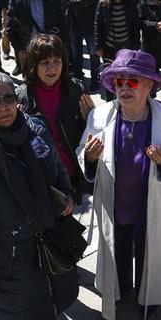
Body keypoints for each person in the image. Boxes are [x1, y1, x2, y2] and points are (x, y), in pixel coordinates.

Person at [0, 71, 78, 319]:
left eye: (8, 98)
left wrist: (68, 195)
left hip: (52, 248)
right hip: (9, 271)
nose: (3, 106)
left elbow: (57, 169)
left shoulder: (36, 129)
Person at [77, 49, 161, 320]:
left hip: (152, 205)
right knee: (118, 249)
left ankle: (149, 298)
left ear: (149, 85)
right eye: (119, 82)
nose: (124, 87)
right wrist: (89, 157)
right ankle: (121, 288)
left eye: (133, 81)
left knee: (151, 254)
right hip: (115, 203)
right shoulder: (99, 116)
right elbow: (83, 149)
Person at [16, 34, 95, 203]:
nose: (52, 69)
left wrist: (91, 119)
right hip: (42, 175)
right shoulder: (22, 97)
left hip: (71, 171)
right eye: (45, 63)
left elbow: (93, 132)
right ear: (33, 65)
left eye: (57, 61)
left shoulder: (76, 89)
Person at [6, 0, 66, 72]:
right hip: (28, 50)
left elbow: (62, 24)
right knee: (31, 80)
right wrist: (20, 51)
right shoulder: (16, 2)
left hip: (50, 49)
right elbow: (10, 29)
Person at [94, 0, 141, 97]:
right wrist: (98, 46)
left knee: (125, 75)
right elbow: (97, 26)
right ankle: (110, 100)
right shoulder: (103, 4)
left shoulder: (130, 3)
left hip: (126, 46)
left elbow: (136, 26)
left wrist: (136, 46)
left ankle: (125, 98)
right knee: (110, 74)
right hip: (109, 46)